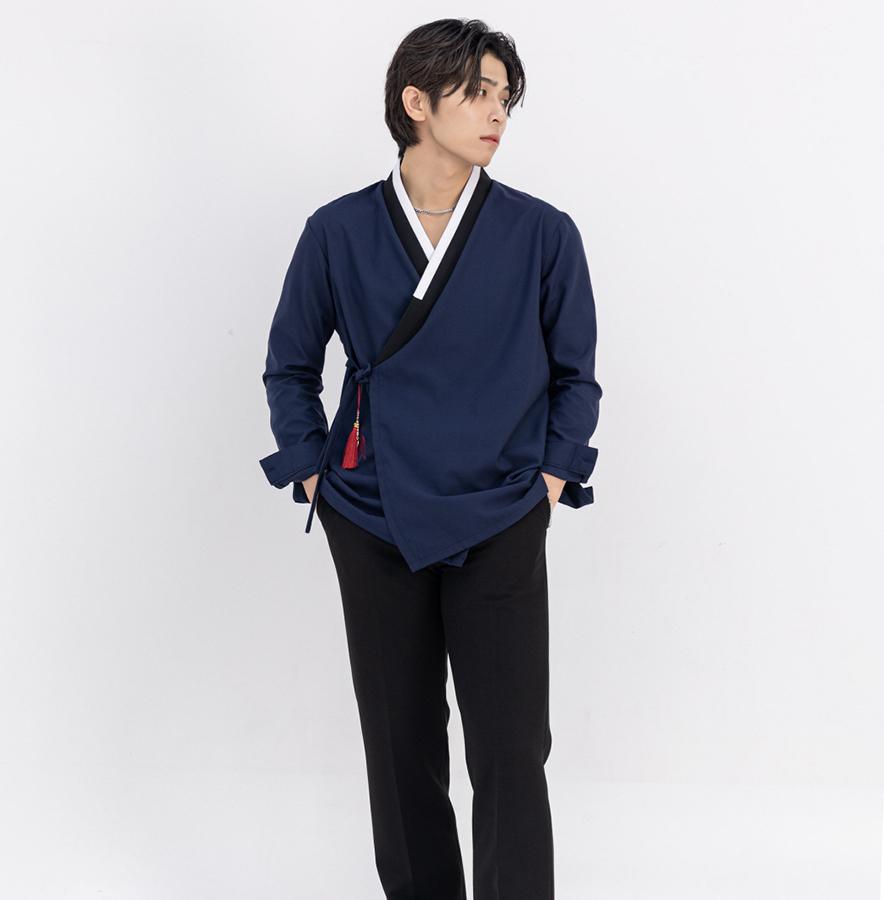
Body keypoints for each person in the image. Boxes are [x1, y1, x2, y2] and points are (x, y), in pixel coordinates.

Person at [259, 17, 602, 900]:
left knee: (511, 748)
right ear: (417, 102)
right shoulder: (337, 231)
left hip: (503, 508)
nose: (497, 114)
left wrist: (550, 480)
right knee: (399, 742)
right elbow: (290, 366)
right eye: (478, 93)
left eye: (504, 97)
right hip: (372, 511)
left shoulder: (541, 232)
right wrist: (314, 471)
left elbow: (577, 376)